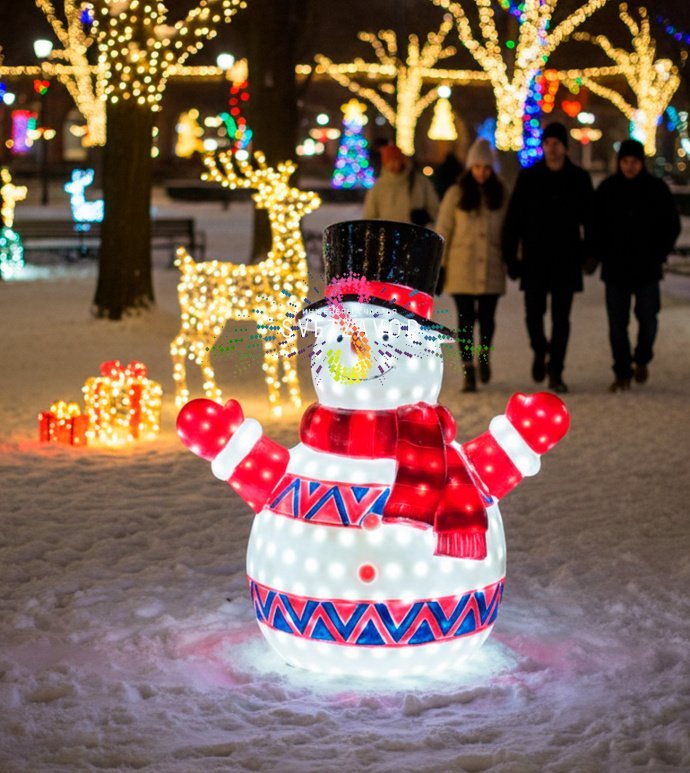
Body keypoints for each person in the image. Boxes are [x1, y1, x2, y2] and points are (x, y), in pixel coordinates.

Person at [502, 121, 594, 393]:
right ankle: (540, 350)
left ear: (565, 147)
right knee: (533, 315)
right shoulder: (529, 177)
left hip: (566, 257)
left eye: (556, 143)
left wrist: (590, 253)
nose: (552, 149)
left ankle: (556, 370)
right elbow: (514, 220)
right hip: (535, 258)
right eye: (548, 143)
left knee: (562, 318)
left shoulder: (579, 179)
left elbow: (591, 220)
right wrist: (511, 257)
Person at [590, 138, 681, 392]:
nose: (630, 167)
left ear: (642, 163)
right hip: (616, 268)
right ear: (620, 163)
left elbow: (671, 225)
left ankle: (641, 359)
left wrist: (659, 253)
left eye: (634, 162)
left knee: (648, 320)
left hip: (647, 268)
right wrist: (599, 253)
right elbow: (595, 227)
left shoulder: (656, 189)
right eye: (626, 162)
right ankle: (622, 371)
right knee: (617, 324)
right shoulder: (608, 189)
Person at [435, 138, 508, 392]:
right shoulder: (456, 194)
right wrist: (440, 267)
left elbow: (509, 230)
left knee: (487, 319)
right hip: (461, 267)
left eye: (486, 167)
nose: (482, 172)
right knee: (466, 321)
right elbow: (443, 230)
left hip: (491, 265)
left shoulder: (501, 193)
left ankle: (484, 357)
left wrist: (511, 257)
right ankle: (469, 368)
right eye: (477, 167)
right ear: (470, 167)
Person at [363, 143, 439, 226]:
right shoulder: (378, 186)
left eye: (396, 160)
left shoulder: (420, 182)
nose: (393, 164)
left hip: (414, 233)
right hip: (388, 233)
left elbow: (434, 208)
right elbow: (370, 215)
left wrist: (426, 216)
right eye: (389, 161)